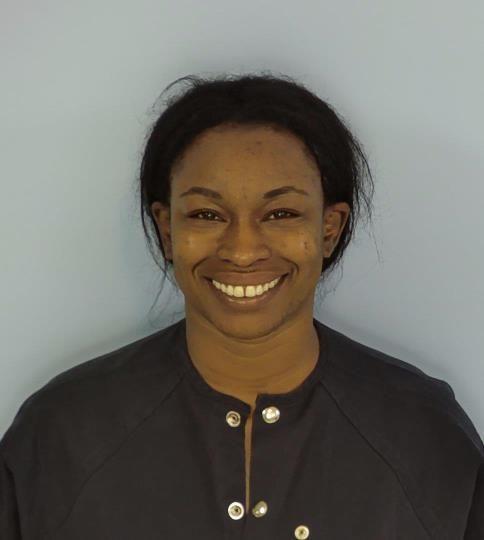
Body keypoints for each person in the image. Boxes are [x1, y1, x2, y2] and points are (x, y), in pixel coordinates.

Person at [1, 73, 482, 539]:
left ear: (329, 229)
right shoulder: (62, 435)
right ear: (168, 231)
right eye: (207, 214)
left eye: (281, 213)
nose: (243, 250)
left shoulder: (424, 435)